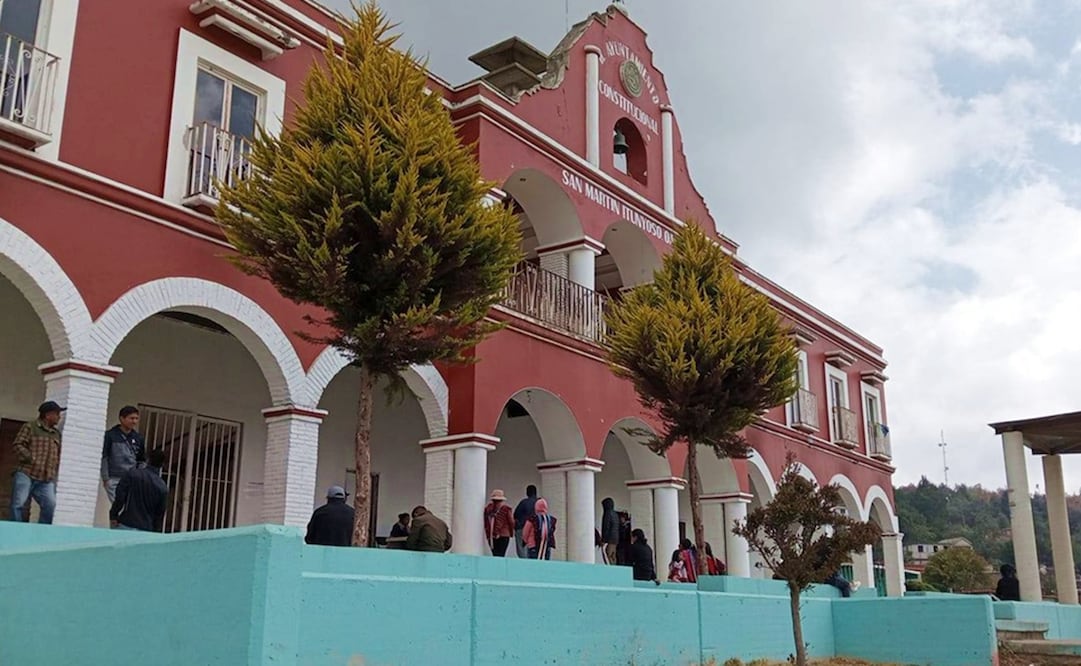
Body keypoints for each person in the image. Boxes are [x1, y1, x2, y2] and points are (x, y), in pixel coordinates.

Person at [10, 401, 64, 524]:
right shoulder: (30, 427)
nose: (59, 417)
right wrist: (30, 458)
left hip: (46, 478)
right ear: (48, 415)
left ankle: (42, 532)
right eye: (57, 414)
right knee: (18, 503)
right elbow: (18, 444)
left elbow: (58, 453)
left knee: (50, 505)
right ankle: (15, 530)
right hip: (26, 472)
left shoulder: (56, 434)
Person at [109, 449, 169, 532]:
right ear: (162, 465)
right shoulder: (162, 487)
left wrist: (113, 515)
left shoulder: (132, 474)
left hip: (127, 523)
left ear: (148, 460)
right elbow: (160, 513)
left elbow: (120, 497)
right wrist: (155, 531)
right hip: (146, 529)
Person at [101, 405, 146, 503]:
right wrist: (106, 478)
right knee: (118, 506)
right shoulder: (110, 435)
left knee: (129, 507)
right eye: (131, 418)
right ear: (122, 418)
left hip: (132, 479)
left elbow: (141, 460)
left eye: (136, 418)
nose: (134, 421)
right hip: (114, 478)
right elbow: (104, 457)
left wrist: (139, 477)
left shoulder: (139, 438)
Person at [484, 489, 514, 557]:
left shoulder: (488, 510)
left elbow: (486, 524)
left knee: (495, 554)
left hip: (492, 535)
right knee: (501, 555)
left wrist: (488, 535)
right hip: (504, 535)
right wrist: (511, 533)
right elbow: (511, 522)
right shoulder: (506, 509)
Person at [513, 484, 539, 558]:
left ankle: (523, 563)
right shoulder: (540, 503)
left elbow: (516, 515)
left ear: (527, 493)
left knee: (522, 549)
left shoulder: (524, 502)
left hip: (522, 527)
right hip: (536, 529)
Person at [600, 497, 619, 565]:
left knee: (607, 555)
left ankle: (610, 571)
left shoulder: (607, 513)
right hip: (615, 540)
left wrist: (603, 540)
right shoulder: (615, 514)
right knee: (613, 556)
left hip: (608, 540)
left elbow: (606, 527)